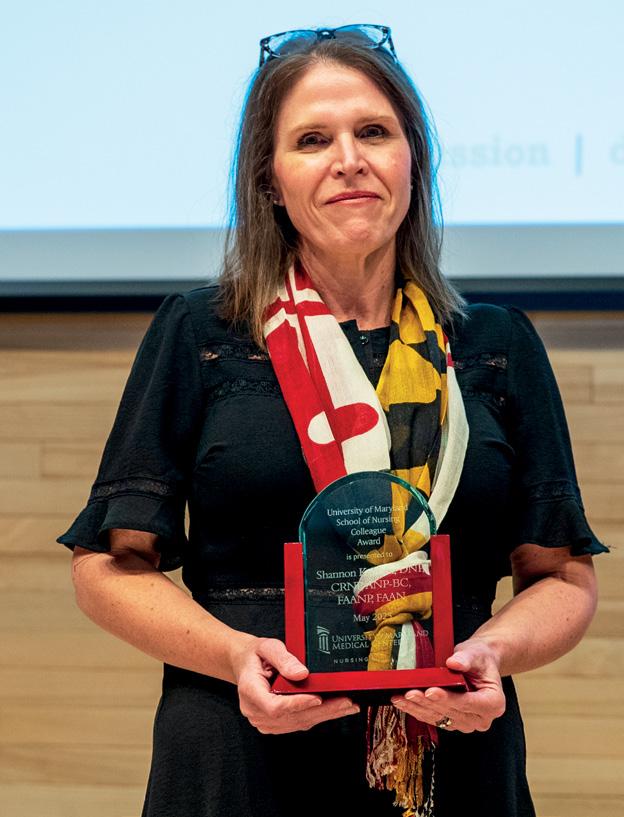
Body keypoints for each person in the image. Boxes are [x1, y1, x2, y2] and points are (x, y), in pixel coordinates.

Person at [58, 24, 609, 817]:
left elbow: (561, 576)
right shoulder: (201, 335)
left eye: (374, 132)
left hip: (451, 746)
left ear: (413, 162)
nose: (348, 159)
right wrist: (237, 655)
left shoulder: (495, 345)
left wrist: (494, 650)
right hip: (241, 745)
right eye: (312, 140)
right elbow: (107, 566)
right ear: (270, 182)